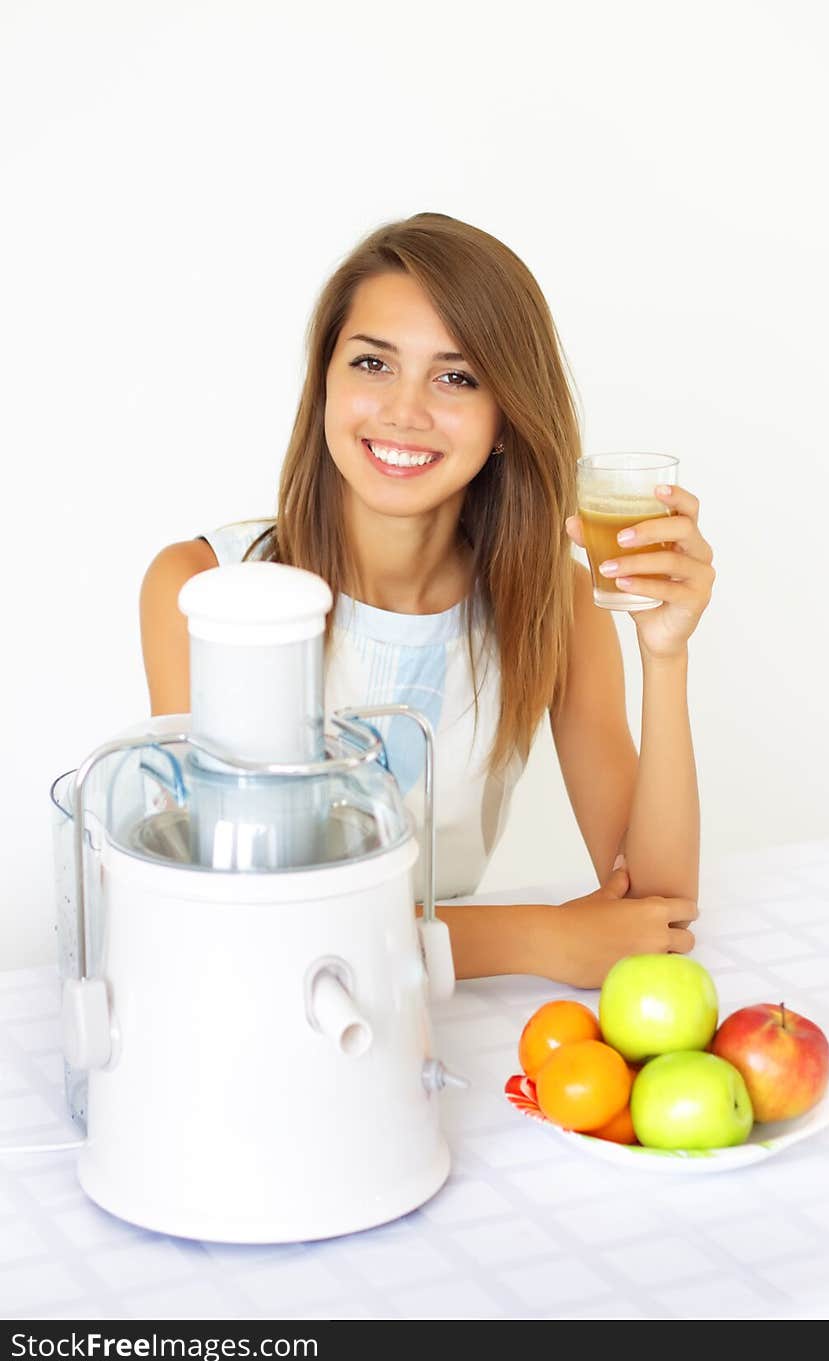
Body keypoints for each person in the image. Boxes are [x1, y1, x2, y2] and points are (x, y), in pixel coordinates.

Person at [139, 212, 715, 988]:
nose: (404, 411)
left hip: (445, 1027)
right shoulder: (202, 591)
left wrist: (664, 654)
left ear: (506, 418)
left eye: (456, 377)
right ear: (324, 384)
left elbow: (656, 910)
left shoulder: (553, 601)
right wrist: (536, 939)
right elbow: (252, 925)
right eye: (373, 365)